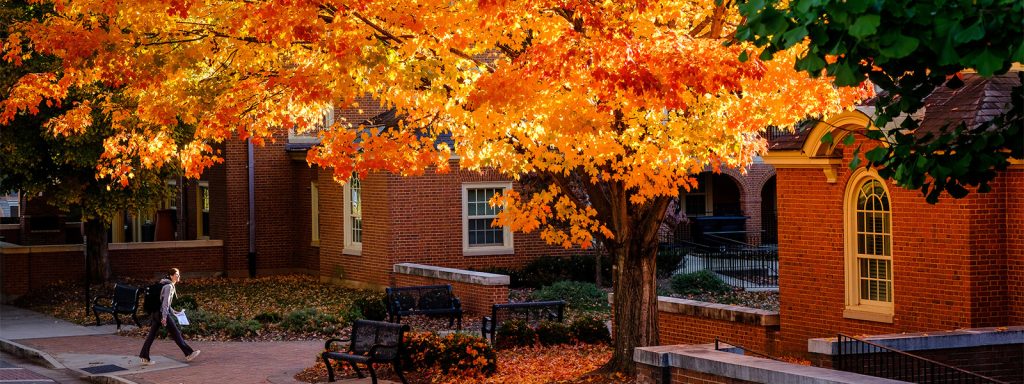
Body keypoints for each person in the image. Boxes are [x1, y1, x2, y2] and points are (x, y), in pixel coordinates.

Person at [138, 268, 200, 365]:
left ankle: (144, 357)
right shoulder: (169, 287)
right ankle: (189, 353)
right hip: (161, 314)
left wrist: (174, 312)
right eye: (176, 274)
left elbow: (164, 303)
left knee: (151, 336)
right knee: (176, 333)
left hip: (155, 313)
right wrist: (164, 317)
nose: (178, 276)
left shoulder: (163, 284)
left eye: (179, 274)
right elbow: (165, 304)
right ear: (171, 276)